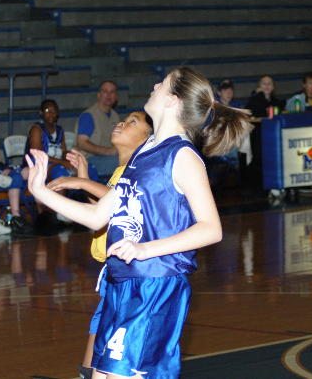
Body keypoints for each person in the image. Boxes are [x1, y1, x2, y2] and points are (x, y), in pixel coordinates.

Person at [26, 66, 252, 378]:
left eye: (163, 83)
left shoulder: (183, 156)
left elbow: (211, 229)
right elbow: (97, 216)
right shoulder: (143, 152)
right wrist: (39, 191)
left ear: (173, 100)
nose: (155, 85)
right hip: (121, 283)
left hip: (154, 285)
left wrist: (146, 249)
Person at [46, 111, 153, 379]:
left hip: (131, 272)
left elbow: (122, 198)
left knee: (110, 344)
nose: (121, 123)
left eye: (132, 122)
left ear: (146, 139)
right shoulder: (120, 171)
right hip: (112, 269)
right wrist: (84, 175)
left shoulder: (140, 171)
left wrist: (82, 182)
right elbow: (102, 214)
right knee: (99, 336)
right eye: (123, 119)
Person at [75, 81, 120, 177]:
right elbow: (81, 143)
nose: (108, 95)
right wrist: (108, 152)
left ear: (116, 96)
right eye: (105, 91)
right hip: (88, 159)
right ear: (99, 95)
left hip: (107, 159)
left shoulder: (115, 116)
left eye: (112, 92)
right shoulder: (89, 116)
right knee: (122, 163)